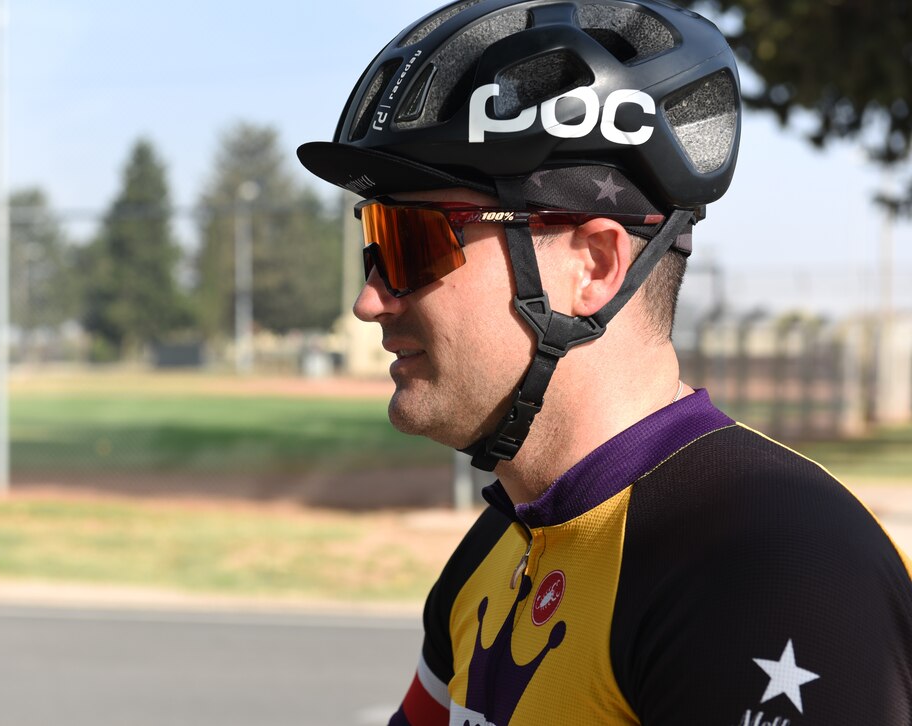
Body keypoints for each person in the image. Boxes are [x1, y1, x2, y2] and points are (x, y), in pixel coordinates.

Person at [298, 0, 912, 723]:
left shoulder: (772, 562)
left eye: (411, 244)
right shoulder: (504, 539)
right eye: (375, 244)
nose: (370, 300)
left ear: (592, 265)